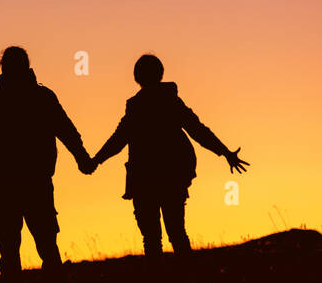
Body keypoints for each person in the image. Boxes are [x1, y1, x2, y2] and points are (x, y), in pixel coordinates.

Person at [87, 54, 248, 261]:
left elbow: (118, 140)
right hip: (170, 177)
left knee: (152, 239)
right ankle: (186, 282)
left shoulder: (138, 107)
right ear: (160, 74)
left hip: (145, 179)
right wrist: (225, 152)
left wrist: (95, 161)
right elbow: (198, 130)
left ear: (137, 77)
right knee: (176, 233)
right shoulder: (168, 101)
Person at [0, 46, 92, 274]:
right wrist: (83, 158)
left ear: (3, 68)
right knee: (44, 248)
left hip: (10, 185)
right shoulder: (41, 97)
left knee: (12, 251)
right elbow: (67, 132)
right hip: (35, 183)